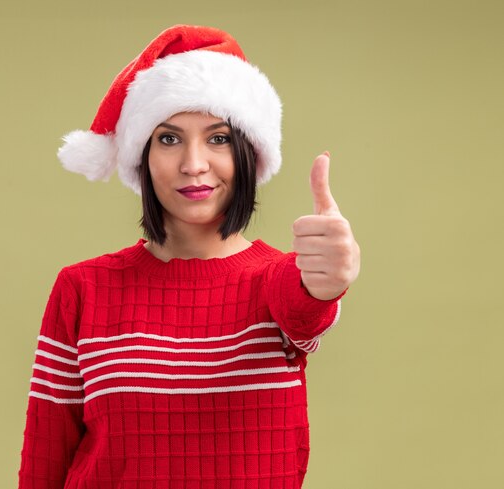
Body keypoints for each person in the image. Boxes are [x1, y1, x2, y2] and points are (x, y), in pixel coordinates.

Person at [18, 24, 360, 489]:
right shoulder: (83, 288)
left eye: (218, 138)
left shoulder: (279, 280)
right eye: (169, 138)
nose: (193, 164)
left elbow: (306, 307)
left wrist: (327, 279)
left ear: (248, 153)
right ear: (142, 155)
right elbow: (46, 454)